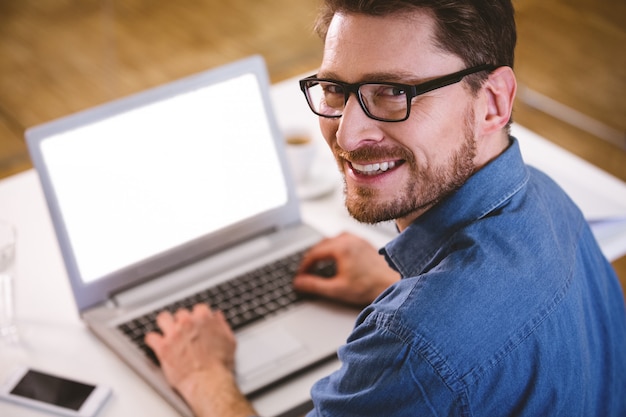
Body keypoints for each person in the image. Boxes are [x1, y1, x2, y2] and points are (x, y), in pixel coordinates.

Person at [145, 0, 626, 415]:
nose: (348, 136)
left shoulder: (415, 347)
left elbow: (438, 349)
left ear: (493, 102)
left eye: (395, 92)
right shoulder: (547, 200)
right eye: (335, 88)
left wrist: (204, 377)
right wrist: (395, 286)